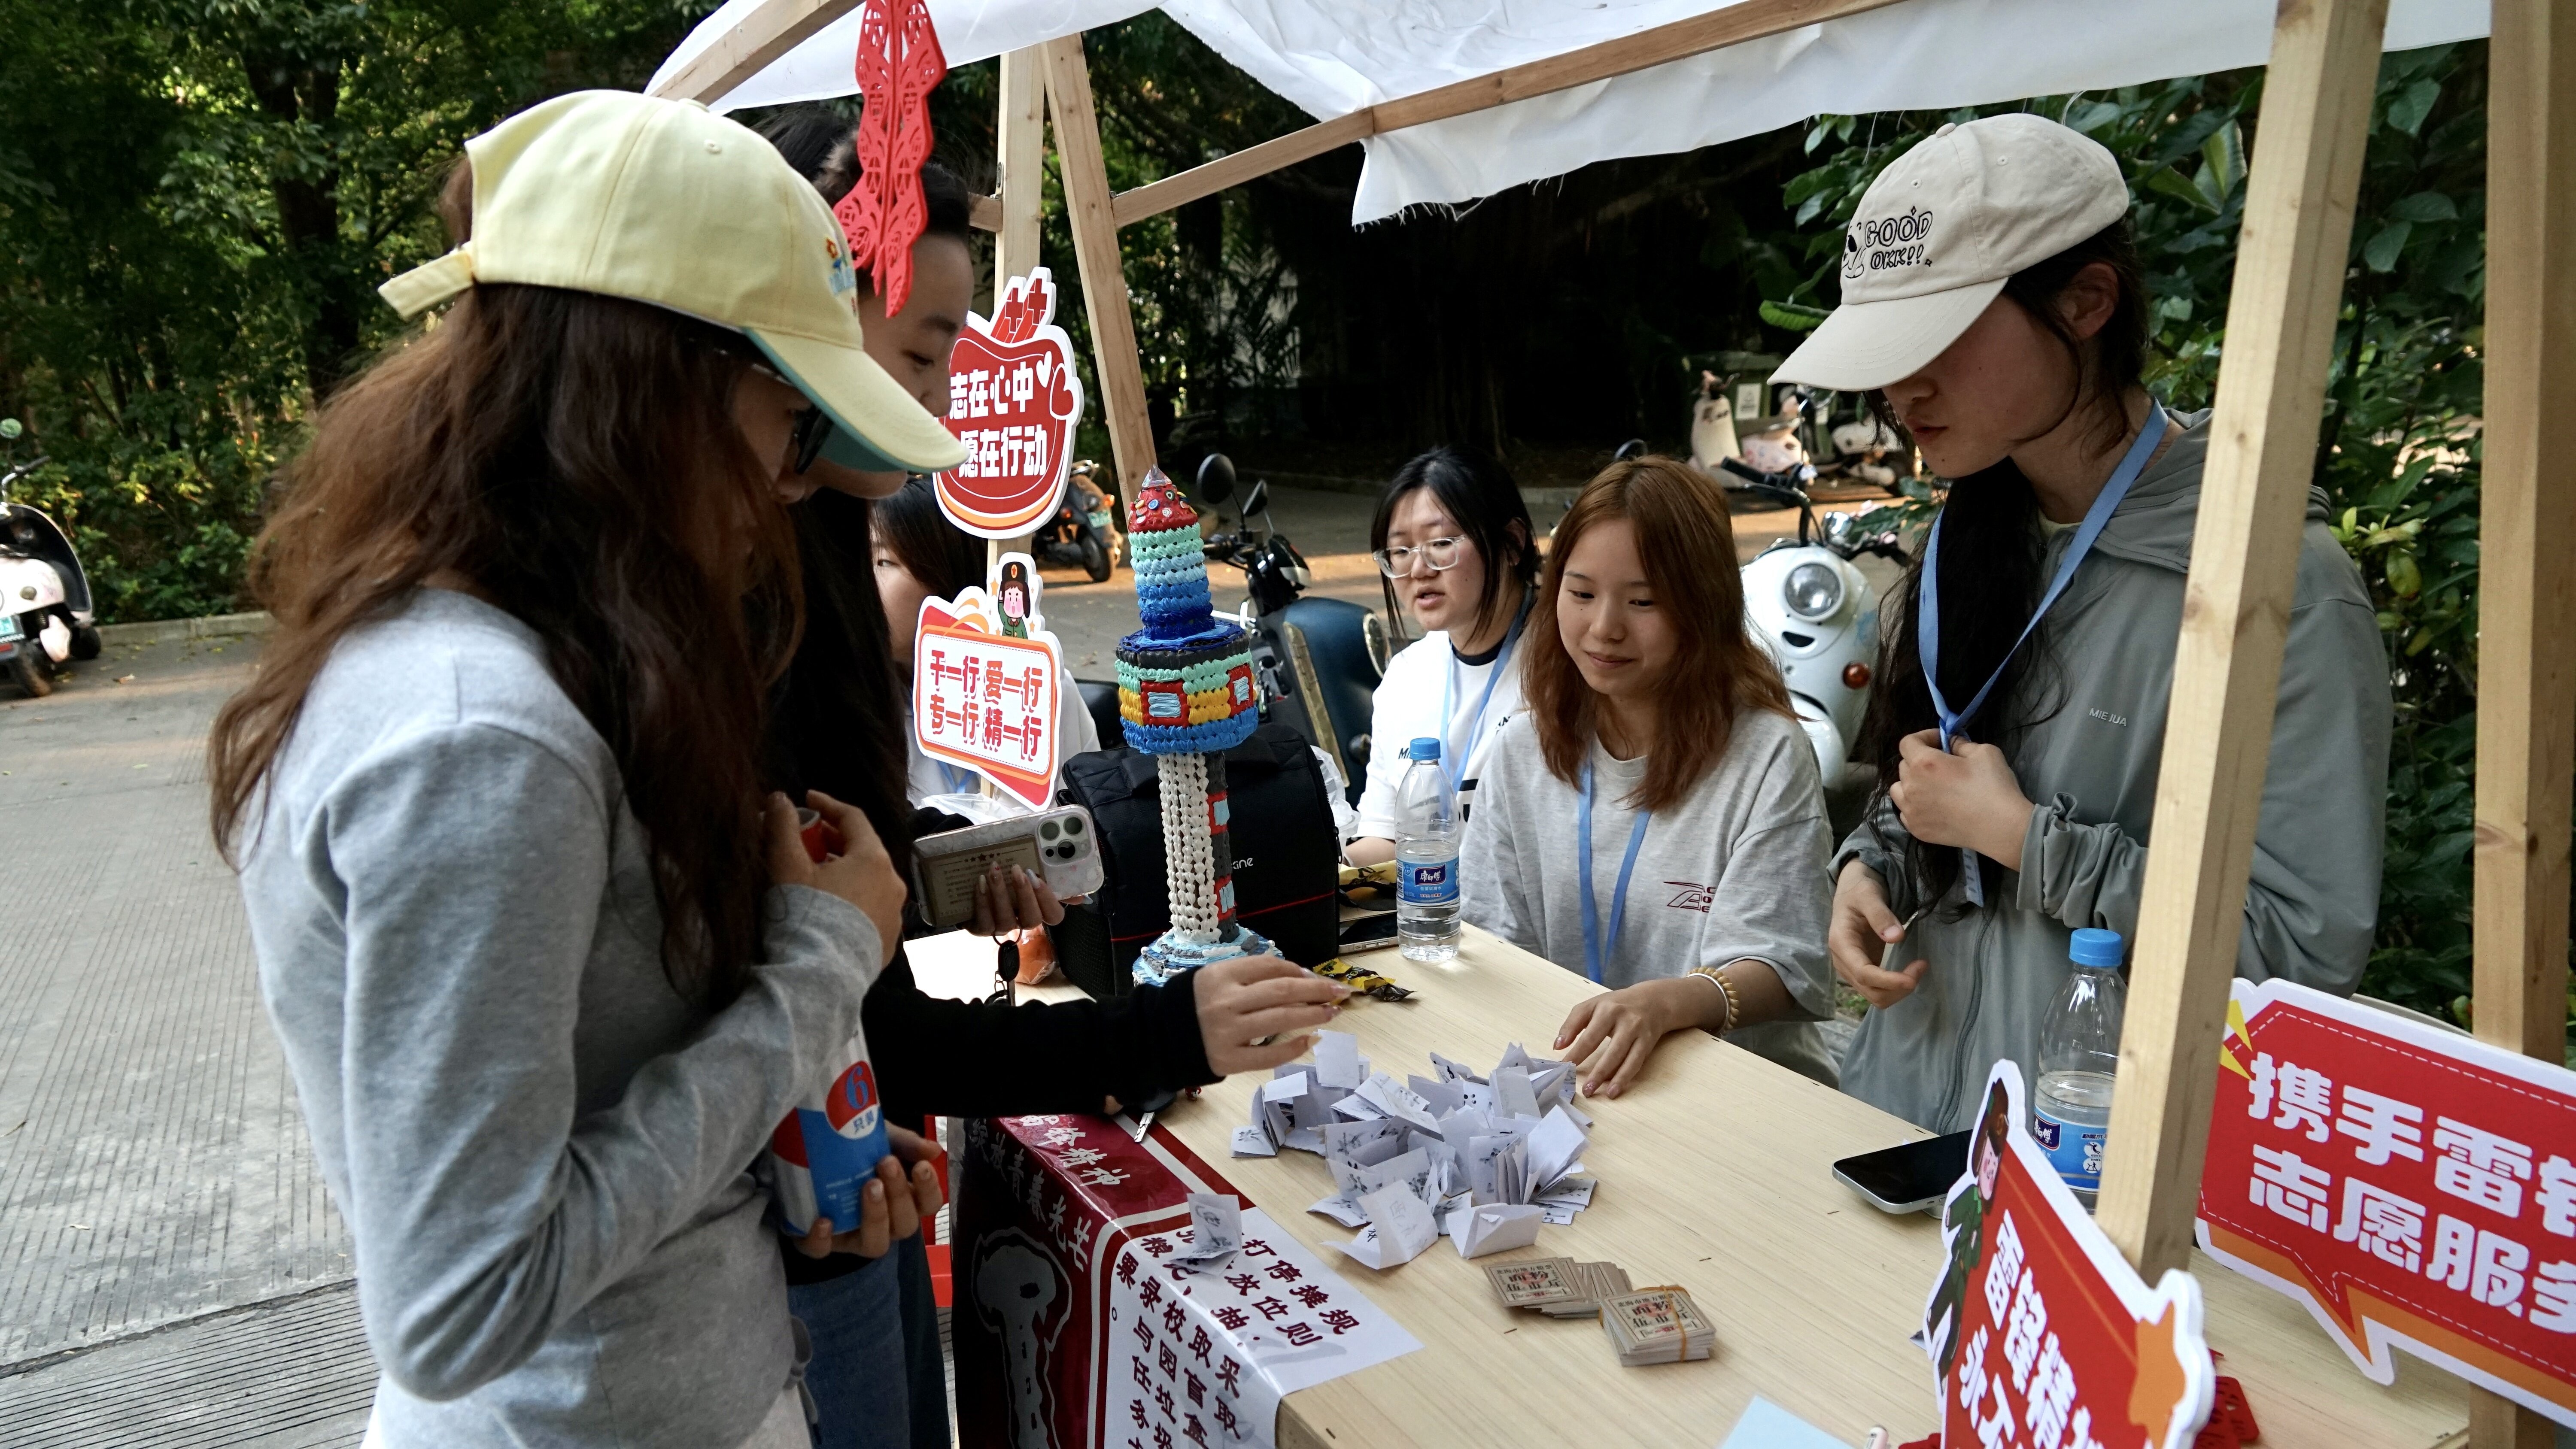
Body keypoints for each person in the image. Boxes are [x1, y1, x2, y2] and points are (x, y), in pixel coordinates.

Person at [208, 93, 958, 1449]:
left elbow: (589, 1092)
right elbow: (461, 1303)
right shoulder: (481, 742)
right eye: (791, 422)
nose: (794, 483)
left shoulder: (516, 660)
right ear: (653, 391)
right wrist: (814, 972)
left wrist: (772, 1150)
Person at [752, 106, 1348, 1449]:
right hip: (797, 1232)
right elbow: (861, 1017)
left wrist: (923, 874)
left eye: (955, 356)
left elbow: (836, 928)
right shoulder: (719, 634)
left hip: (860, 1187)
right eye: (922, 352)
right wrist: (1163, 1034)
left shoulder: (813, 566)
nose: (945, 402)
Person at [1775, 114, 2390, 1132]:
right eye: (1888, 349)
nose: (1901, 387)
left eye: (1940, 337)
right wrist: (1870, 867)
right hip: (1902, 1126)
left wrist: (2026, 840)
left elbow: (2296, 959)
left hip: (2097, 1169)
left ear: (2087, 303)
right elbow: (1933, 782)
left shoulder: (2276, 589)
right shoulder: (1968, 537)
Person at [1461, 455, 1840, 1096]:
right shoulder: (1524, 749)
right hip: (1580, 1084)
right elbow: (1493, 943)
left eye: (1643, 602)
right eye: (1581, 594)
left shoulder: (1766, 754)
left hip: (1738, 1095)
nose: (1604, 628)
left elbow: (1782, 965)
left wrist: (1668, 1003)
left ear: (1705, 605)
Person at [1343, 446, 1540, 864]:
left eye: (1441, 543)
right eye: (1400, 551)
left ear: (1512, 543)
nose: (1419, 570)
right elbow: (1386, 840)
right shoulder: (1406, 677)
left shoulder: (1570, 662)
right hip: (1433, 902)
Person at [874, 475, 1102, 807]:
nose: (861, 582)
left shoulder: (1039, 692)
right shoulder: (853, 702)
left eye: (883, 562)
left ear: (947, 574)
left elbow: (1075, 824)